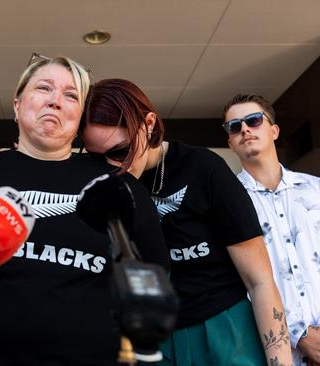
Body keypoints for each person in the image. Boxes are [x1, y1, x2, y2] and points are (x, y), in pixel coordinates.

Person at [0, 55, 169, 365]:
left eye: (70, 95)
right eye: (44, 88)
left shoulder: (118, 186)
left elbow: (155, 273)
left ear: (80, 118)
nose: (55, 101)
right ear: (17, 104)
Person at [80, 78, 292, 365]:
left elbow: (260, 281)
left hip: (224, 329)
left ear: (149, 123)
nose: (113, 165)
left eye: (120, 151)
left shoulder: (203, 168)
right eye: (97, 157)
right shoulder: (101, 183)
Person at [223, 93, 320, 366]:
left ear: (274, 130)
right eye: (234, 126)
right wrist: (301, 336)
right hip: (271, 354)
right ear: (230, 142)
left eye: (253, 120)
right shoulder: (228, 202)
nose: (245, 129)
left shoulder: (318, 189)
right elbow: (238, 282)